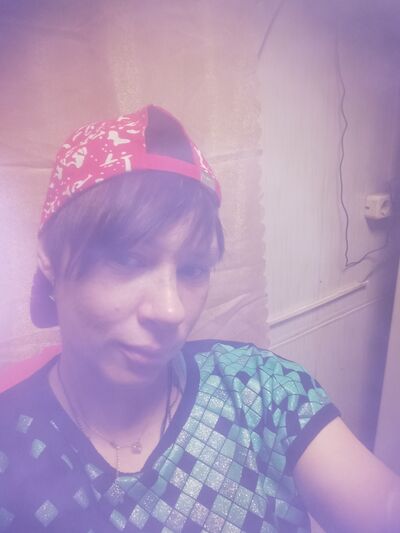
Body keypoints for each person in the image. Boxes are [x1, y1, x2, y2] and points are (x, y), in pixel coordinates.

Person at [0, 105, 399, 533]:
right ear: (50, 258)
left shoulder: (260, 389)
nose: (171, 311)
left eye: (192, 269)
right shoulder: (11, 442)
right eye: (128, 260)